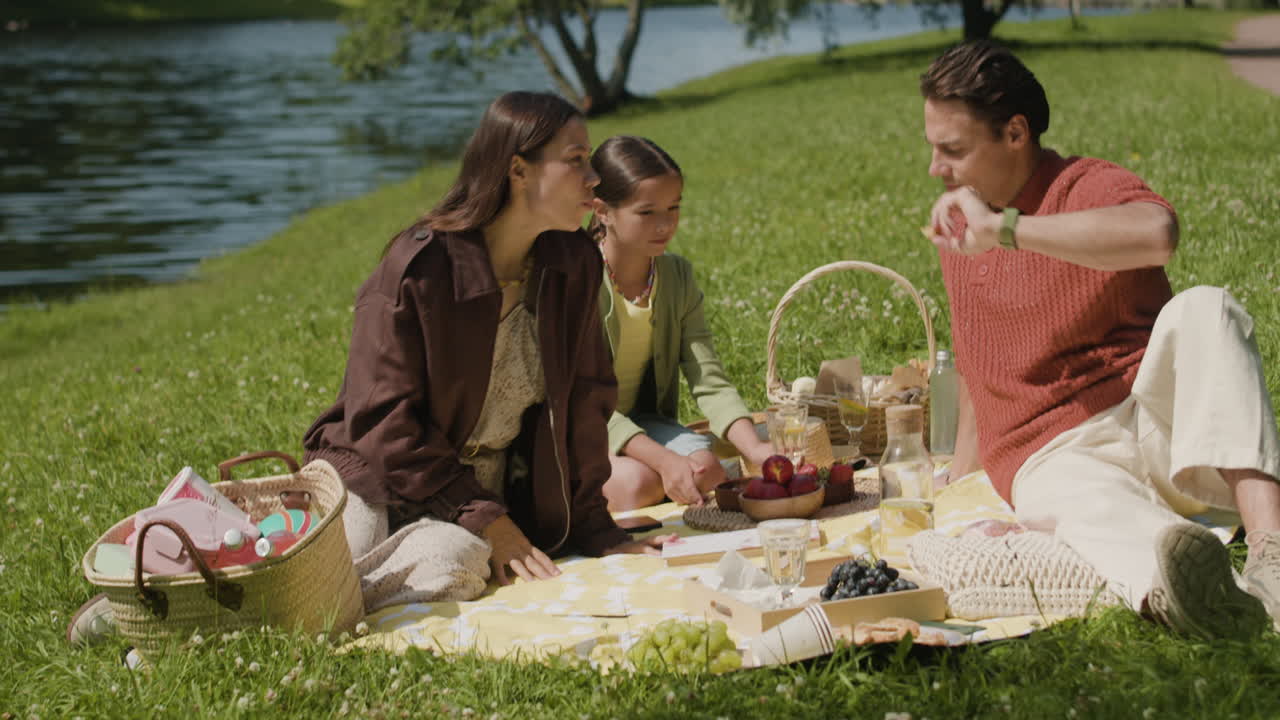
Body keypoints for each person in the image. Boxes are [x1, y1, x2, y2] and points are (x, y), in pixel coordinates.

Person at [920, 40, 1280, 639]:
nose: (936, 168)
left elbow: (1158, 233)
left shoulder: (1083, 184)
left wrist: (1009, 230)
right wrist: (962, 480)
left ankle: (1272, 552)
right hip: (1053, 455)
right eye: (933, 148)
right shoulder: (961, 231)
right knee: (1095, 512)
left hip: (1150, 420)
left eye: (952, 149)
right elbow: (978, 361)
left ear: (1015, 132)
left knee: (1206, 308)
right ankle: (1201, 596)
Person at [301, 92, 669, 609]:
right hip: (374, 473)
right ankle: (295, 586)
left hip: (469, 499)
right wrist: (490, 520)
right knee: (336, 559)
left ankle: (327, 602)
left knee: (458, 560)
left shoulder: (573, 264)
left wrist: (596, 530)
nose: (594, 178)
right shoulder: (420, 271)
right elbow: (383, 424)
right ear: (519, 170)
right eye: (576, 159)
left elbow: (588, 402)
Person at [588, 136, 773, 511]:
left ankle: (650, 478)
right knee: (638, 484)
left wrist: (757, 449)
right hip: (581, 429)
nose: (665, 224)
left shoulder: (676, 277)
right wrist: (663, 461)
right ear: (602, 210)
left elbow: (708, 378)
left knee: (705, 468)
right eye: (647, 212)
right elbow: (583, 402)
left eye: (673, 208)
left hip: (641, 423)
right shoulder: (582, 282)